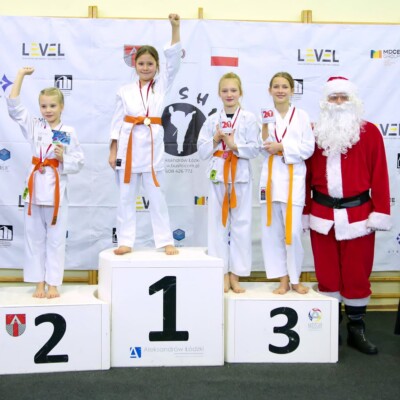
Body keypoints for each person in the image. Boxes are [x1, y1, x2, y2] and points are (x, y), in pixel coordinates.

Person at [303, 76, 391, 354]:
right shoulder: (313, 133)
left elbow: (380, 175)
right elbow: (304, 176)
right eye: (334, 97)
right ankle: (330, 327)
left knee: (356, 273)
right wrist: (305, 211)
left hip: (359, 216)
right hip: (322, 215)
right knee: (327, 273)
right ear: (325, 102)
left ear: (353, 101)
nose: (339, 102)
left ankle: (356, 328)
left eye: (344, 97)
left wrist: (380, 212)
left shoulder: (370, 132)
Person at [7, 67, 84, 298]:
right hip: (34, 190)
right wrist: (20, 76)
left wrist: (64, 158)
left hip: (57, 192)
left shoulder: (68, 131)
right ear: (39, 108)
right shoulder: (35, 126)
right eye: (43, 106)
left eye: (52, 105)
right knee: (34, 239)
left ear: (61, 107)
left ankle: (53, 283)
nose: (48, 110)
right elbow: (14, 107)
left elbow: (79, 161)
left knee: (56, 240)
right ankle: (39, 282)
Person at [109, 14, 181, 256]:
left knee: (157, 197)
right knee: (125, 197)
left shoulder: (162, 85)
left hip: (152, 148)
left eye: (150, 64)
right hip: (127, 147)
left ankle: (165, 240)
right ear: (135, 65)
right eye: (141, 63)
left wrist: (175, 28)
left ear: (156, 66)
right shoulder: (124, 91)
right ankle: (125, 241)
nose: (146, 67)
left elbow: (174, 62)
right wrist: (113, 151)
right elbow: (116, 122)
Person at [197, 72, 260, 293]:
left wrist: (234, 145)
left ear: (240, 92)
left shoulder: (249, 118)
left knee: (242, 225)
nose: (229, 94)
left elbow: (255, 149)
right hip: (218, 176)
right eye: (225, 90)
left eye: (233, 90)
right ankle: (222, 273)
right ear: (219, 93)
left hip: (240, 175)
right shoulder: (212, 120)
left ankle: (236, 275)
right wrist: (215, 139)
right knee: (217, 226)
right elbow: (202, 151)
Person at [259, 72, 314, 294]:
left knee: (293, 233)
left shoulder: (301, 116)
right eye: (276, 86)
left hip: (293, 180)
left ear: (292, 90)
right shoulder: (265, 116)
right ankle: (282, 279)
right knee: (272, 233)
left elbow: (308, 148)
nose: (280, 90)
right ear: (269, 90)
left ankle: (295, 278)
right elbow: (259, 145)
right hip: (271, 179)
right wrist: (266, 143)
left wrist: (282, 147)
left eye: (284, 86)